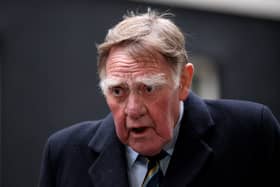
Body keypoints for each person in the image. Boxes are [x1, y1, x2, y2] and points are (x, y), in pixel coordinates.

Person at [39, 9, 280, 187]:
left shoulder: (251, 133)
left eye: (148, 88)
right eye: (118, 91)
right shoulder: (65, 153)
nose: (133, 110)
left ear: (184, 81)